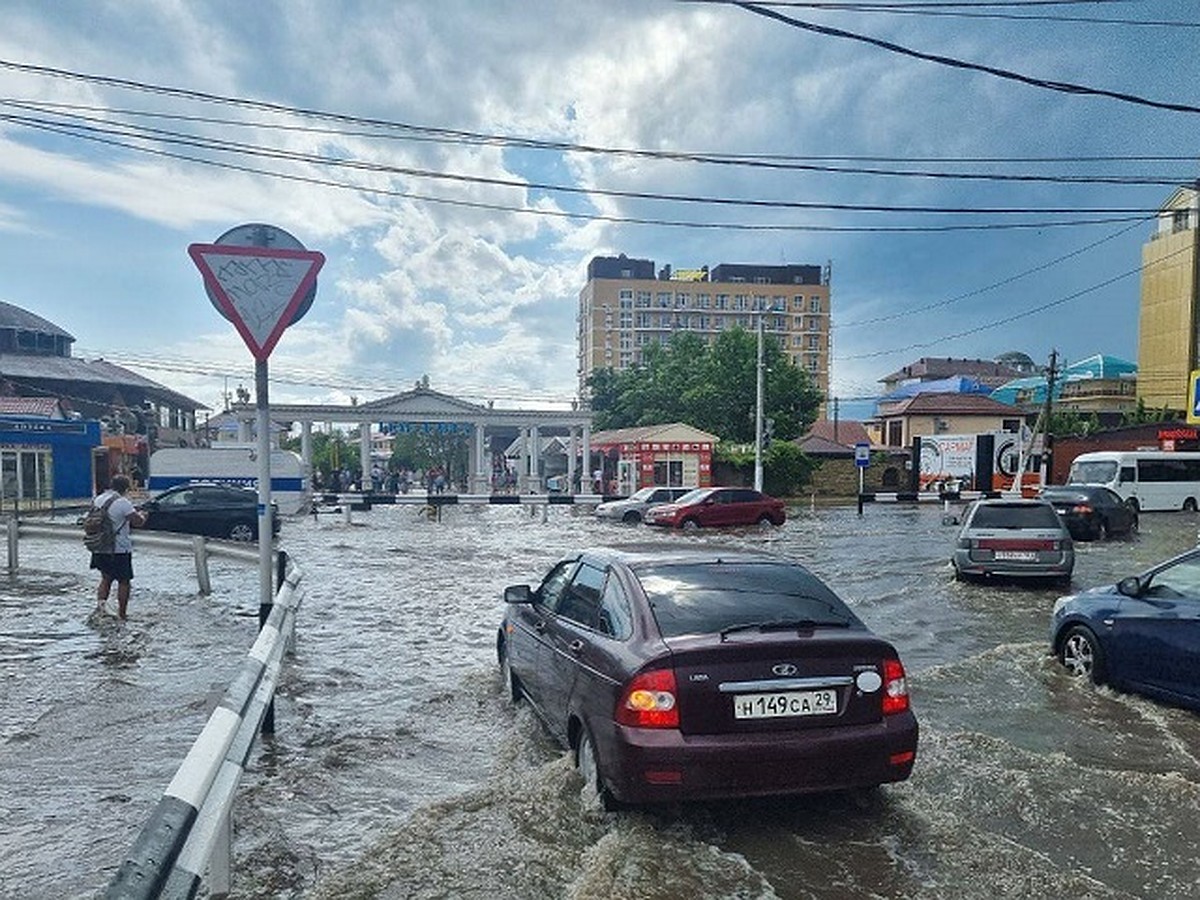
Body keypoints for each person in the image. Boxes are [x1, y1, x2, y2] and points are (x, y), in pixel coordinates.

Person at [90, 474, 146, 619]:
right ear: (126, 488)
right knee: (124, 581)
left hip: (99, 545)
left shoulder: (99, 499)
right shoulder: (123, 502)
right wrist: (143, 515)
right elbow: (137, 522)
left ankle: (101, 609)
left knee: (105, 578)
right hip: (119, 549)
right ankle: (122, 613)